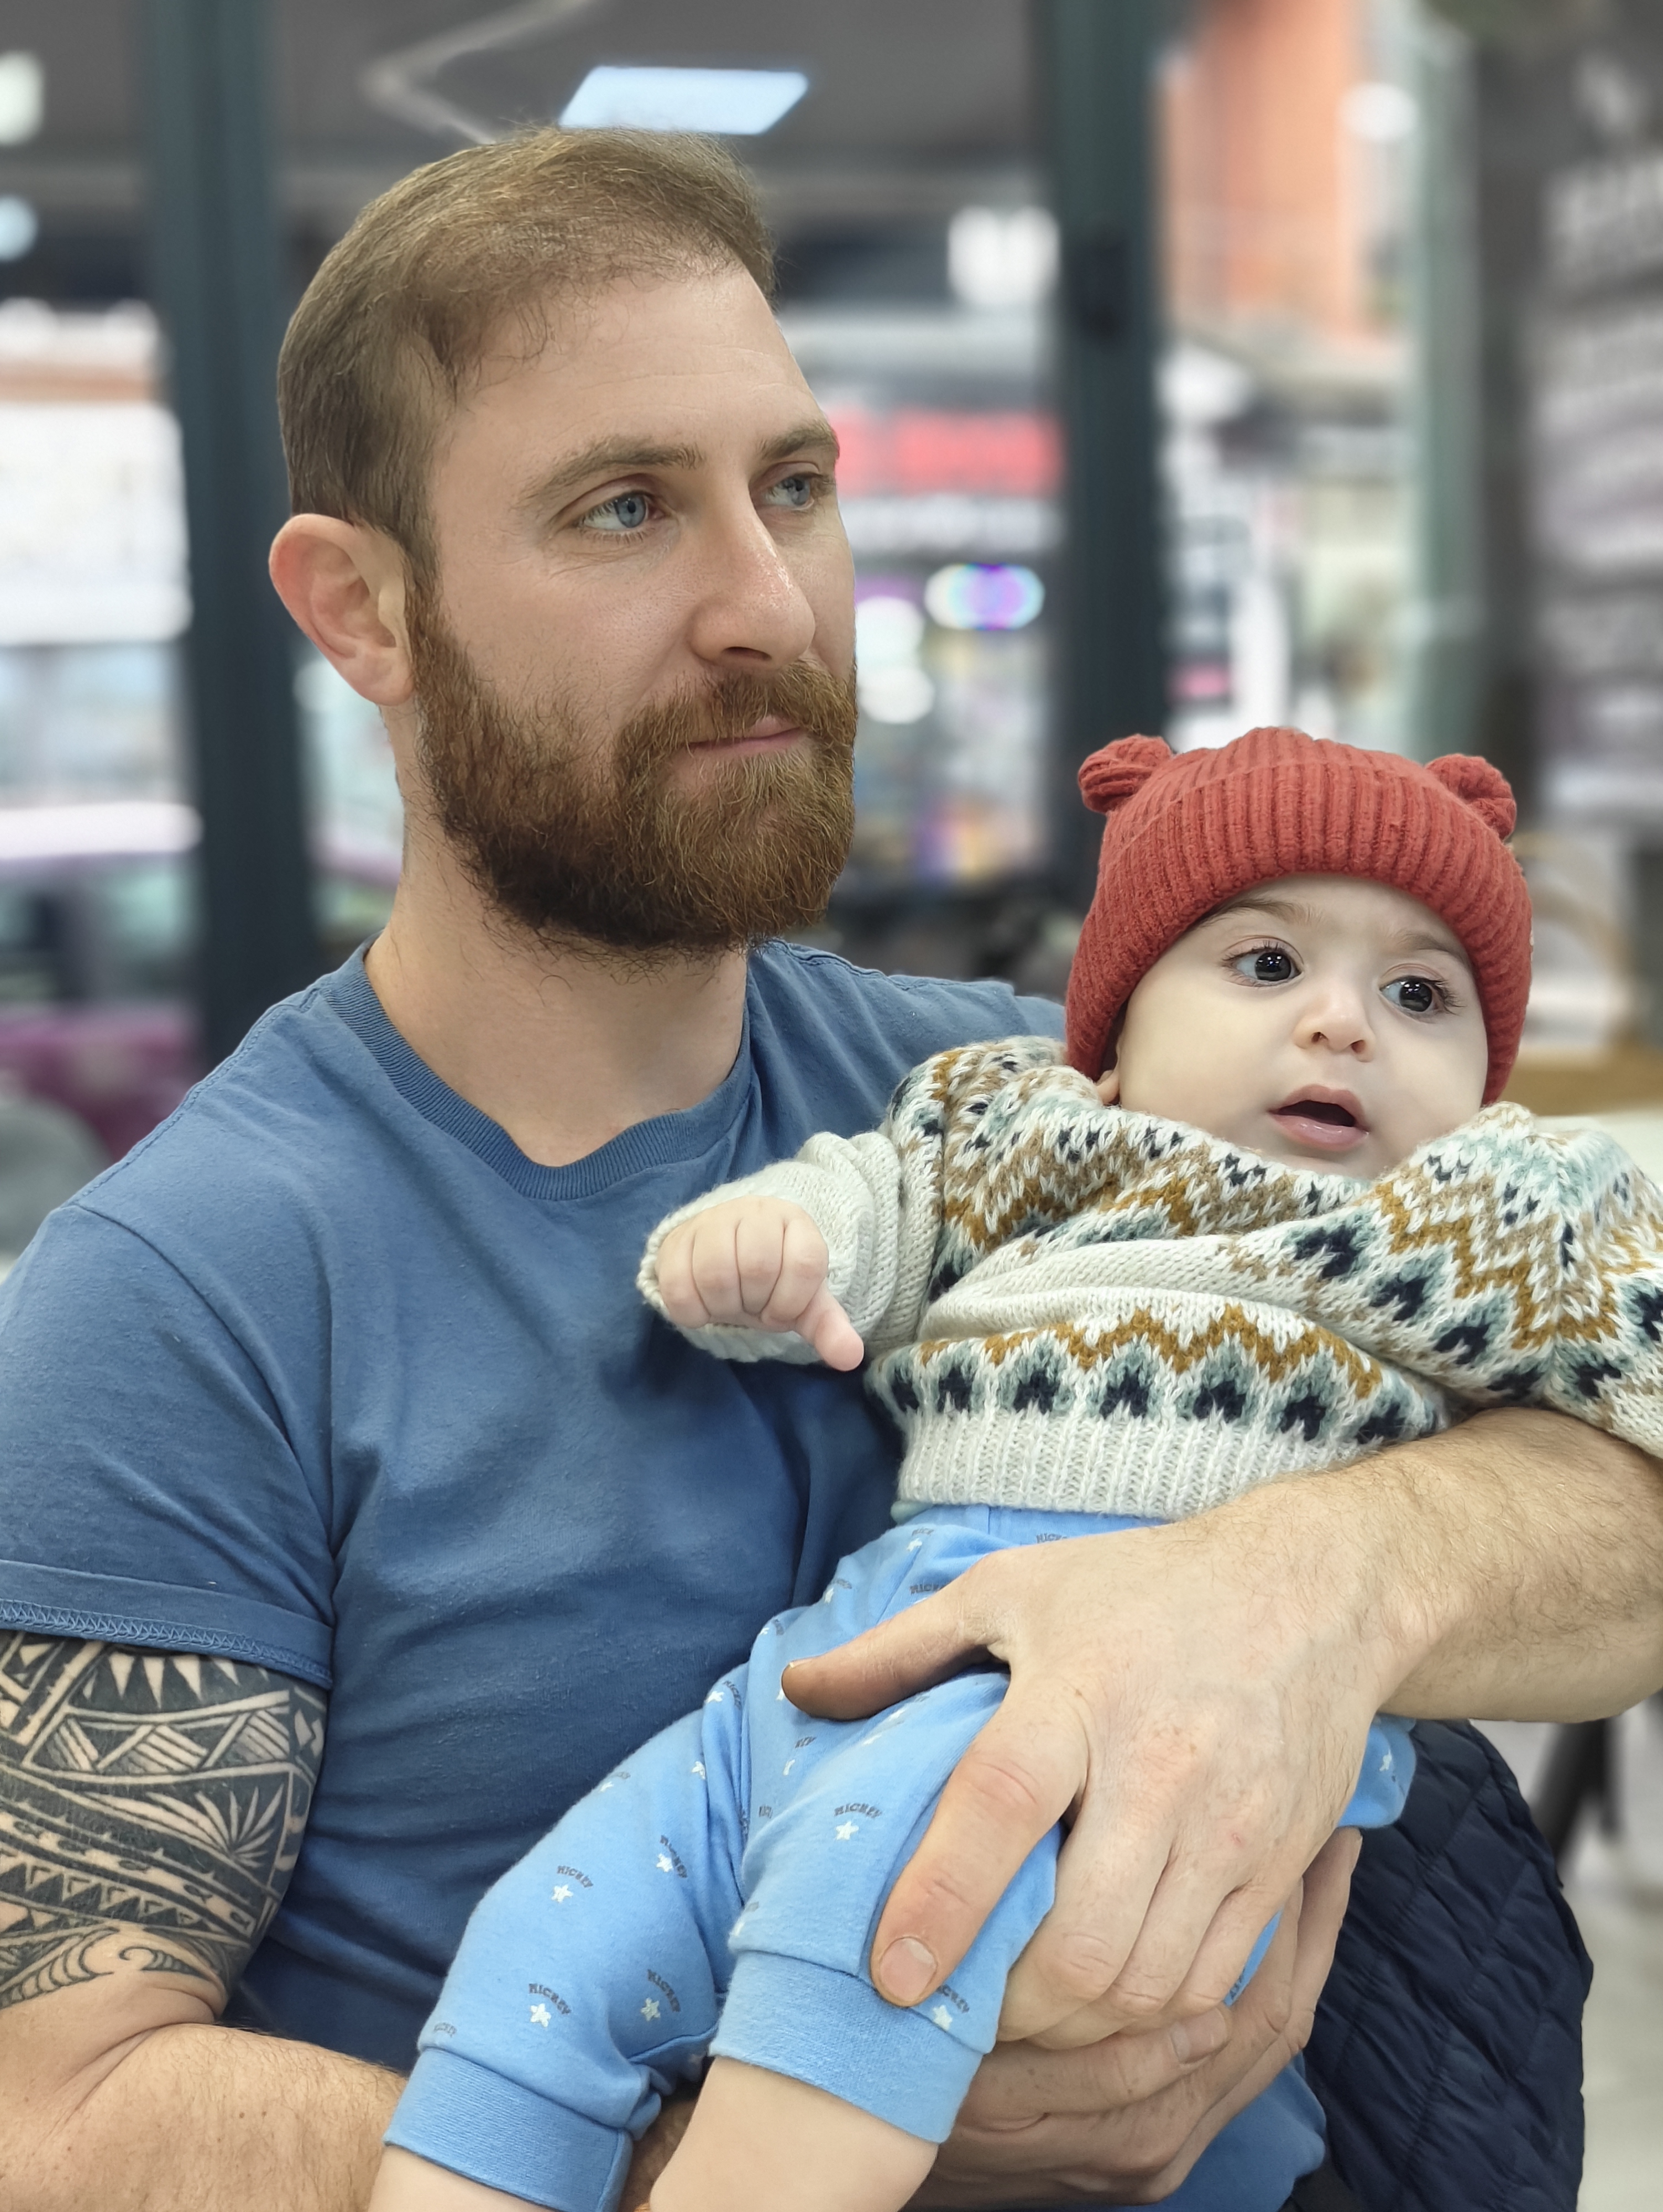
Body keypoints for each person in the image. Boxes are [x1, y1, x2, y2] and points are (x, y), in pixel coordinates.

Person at [0, 128, 1648, 2212]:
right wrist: (781, 2145)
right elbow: (53, 2117)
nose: (768, 606)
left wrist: (1315, 1588)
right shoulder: (188, 1293)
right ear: (364, 610)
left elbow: (1620, 1468)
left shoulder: (1038, 1107)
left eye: (794, 486)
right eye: (624, 509)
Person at [375, 727, 1652, 2212]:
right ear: (1112, 1037)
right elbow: (874, 1205)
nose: (1342, 1024)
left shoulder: (1485, 1213)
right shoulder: (1019, 1129)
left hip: (1154, 1746)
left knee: (881, 1906)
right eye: (1265, 965)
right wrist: (777, 1244)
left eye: (1420, 995)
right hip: (861, 1657)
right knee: (557, 1931)